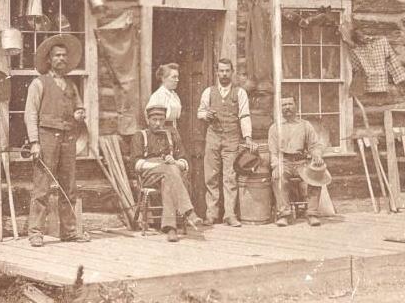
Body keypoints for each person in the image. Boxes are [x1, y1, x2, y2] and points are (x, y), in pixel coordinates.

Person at [24, 33, 90, 247]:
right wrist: (34, 142)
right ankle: (36, 232)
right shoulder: (39, 83)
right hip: (46, 138)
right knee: (42, 187)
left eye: (64, 55)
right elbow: (30, 114)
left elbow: (78, 108)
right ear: (49, 59)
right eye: (57, 55)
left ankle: (69, 231)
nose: (61, 59)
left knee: (68, 186)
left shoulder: (71, 85)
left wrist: (79, 113)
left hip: (68, 138)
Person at [196, 58, 254, 227]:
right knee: (211, 176)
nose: (224, 74)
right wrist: (206, 115)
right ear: (217, 72)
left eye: (227, 71)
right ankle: (211, 214)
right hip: (213, 138)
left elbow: (244, 115)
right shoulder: (208, 92)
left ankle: (230, 215)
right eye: (221, 71)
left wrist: (248, 137)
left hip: (231, 139)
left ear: (232, 72)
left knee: (230, 177)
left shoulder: (240, 93)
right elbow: (200, 112)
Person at [132, 105, 203, 242]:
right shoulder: (140, 135)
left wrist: (174, 162)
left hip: (169, 174)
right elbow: (136, 164)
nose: (158, 123)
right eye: (154, 120)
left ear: (165, 120)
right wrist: (162, 165)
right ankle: (188, 211)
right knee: (170, 170)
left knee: (169, 179)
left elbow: (184, 162)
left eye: (161, 120)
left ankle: (171, 229)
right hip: (149, 175)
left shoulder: (172, 135)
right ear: (148, 120)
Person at [268, 96, 326, 227]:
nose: (287, 107)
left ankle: (312, 213)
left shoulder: (305, 125)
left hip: (302, 162)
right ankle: (284, 215)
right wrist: (276, 165)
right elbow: (273, 151)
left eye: (290, 104)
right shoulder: (275, 128)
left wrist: (317, 155)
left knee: (317, 176)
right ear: (280, 108)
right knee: (278, 177)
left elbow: (314, 145)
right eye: (284, 105)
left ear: (296, 106)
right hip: (284, 162)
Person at [146, 63, 182, 135]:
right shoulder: (158, 95)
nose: (177, 80)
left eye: (177, 77)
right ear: (163, 78)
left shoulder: (174, 95)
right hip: (161, 132)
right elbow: (149, 117)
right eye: (174, 77)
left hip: (173, 130)